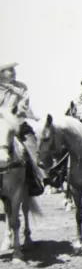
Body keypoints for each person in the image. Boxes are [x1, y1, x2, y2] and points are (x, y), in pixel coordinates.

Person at [0, 62, 44, 196]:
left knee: (31, 146)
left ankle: (35, 180)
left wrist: (14, 116)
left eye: (13, 70)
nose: (14, 72)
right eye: (10, 70)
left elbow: (23, 106)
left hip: (17, 123)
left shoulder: (21, 87)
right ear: (1, 72)